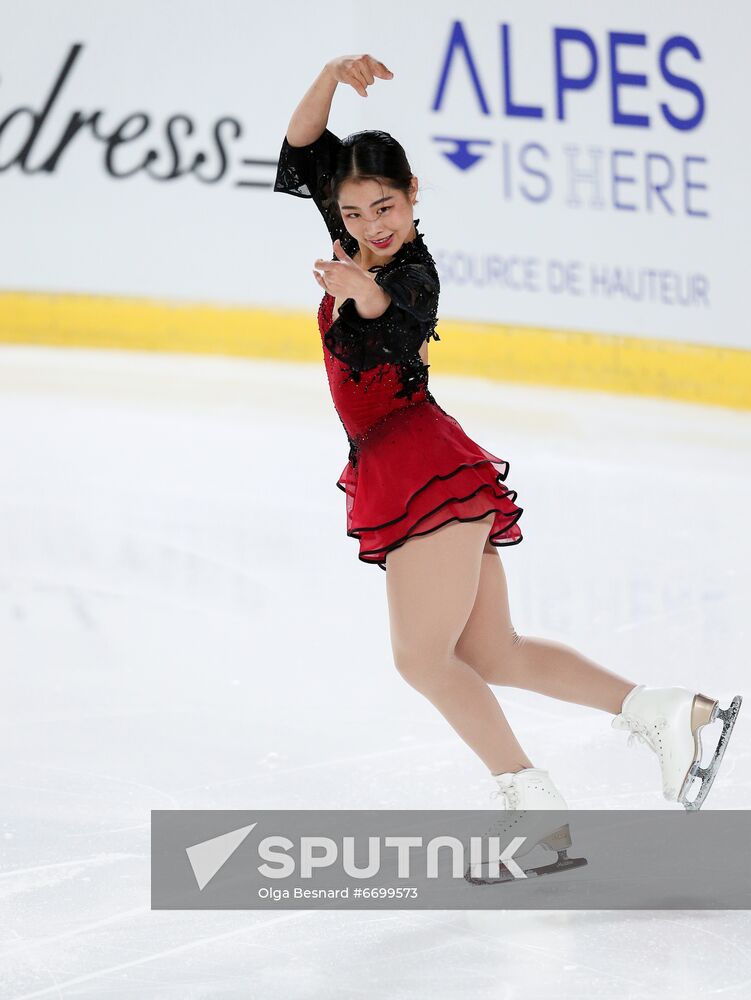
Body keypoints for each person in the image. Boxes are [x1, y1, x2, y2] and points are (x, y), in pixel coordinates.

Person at [273, 54, 742, 864]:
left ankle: (531, 804)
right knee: (494, 653)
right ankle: (666, 710)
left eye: (384, 204)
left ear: (413, 192)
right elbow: (301, 146)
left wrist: (361, 289)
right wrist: (326, 75)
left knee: (422, 658)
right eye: (352, 210)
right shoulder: (354, 241)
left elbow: (395, 323)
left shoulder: (409, 274)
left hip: (420, 471)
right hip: (419, 465)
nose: (370, 223)